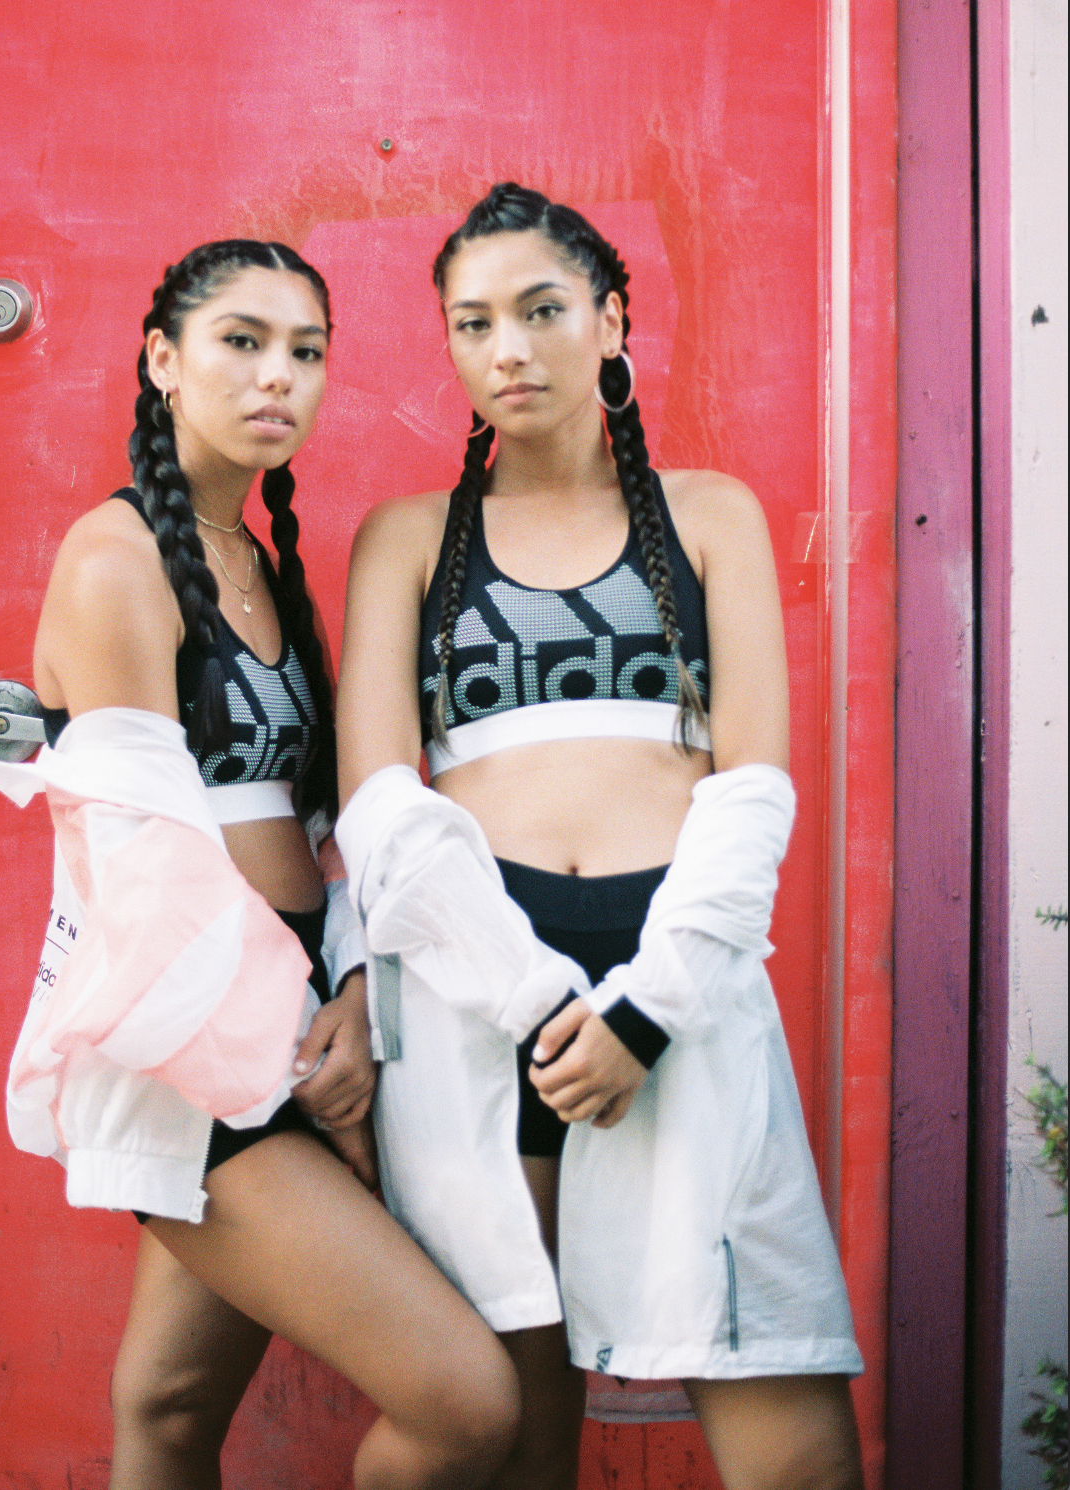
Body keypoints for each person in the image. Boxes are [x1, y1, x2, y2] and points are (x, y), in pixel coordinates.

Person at [335, 185, 866, 1490]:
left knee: (792, 1431)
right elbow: (381, 809)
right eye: (474, 323)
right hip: (479, 1005)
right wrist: (535, 1005)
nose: (507, 348)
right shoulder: (409, 538)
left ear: (611, 319)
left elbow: (753, 792)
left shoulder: (710, 514)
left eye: (541, 310)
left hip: (679, 983)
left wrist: (646, 1011)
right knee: (520, 1432)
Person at [0, 239, 519, 1490]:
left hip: (297, 1029)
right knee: (467, 1403)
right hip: (198, 1046)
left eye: (307, 350)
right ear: (162, 360)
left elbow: (322, 830)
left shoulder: (261, 566)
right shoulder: (116, 560)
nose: (278, 373)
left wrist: (359, 988)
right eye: (241, 339)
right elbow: (154, 882)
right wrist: (310, 1060)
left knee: (169, 1404)